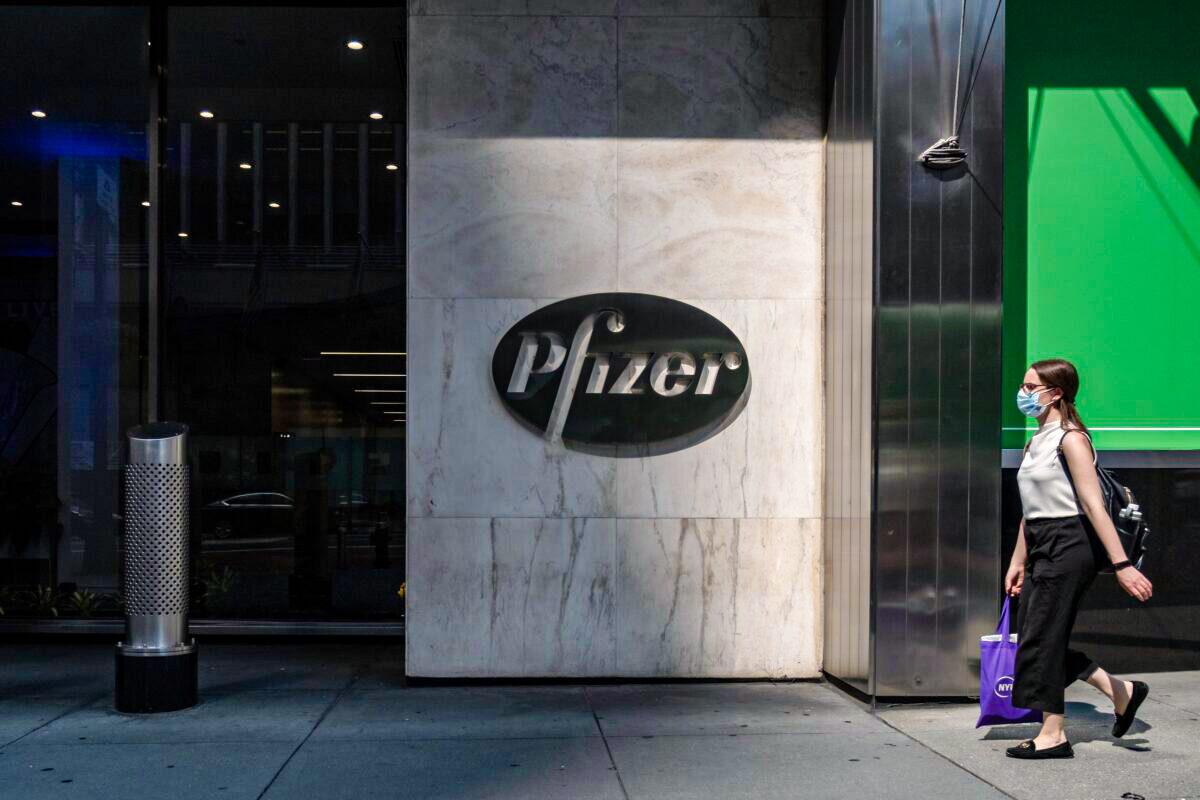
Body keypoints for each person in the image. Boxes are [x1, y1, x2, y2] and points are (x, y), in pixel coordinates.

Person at [1003, 358, 1153, 760]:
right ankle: (1120, 691)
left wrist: (1122, 565)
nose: (1024, 393)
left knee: (1043, 639)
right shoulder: (1035, 441)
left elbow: (1092, 503)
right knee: (1035, 638)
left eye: (1031, 386)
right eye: (1024, 384)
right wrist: (1018, 560)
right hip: (1041, 541)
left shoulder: (1072, 438)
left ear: (1056, 393)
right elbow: (1030, 508)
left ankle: (1053, 734)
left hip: (1071, 543)